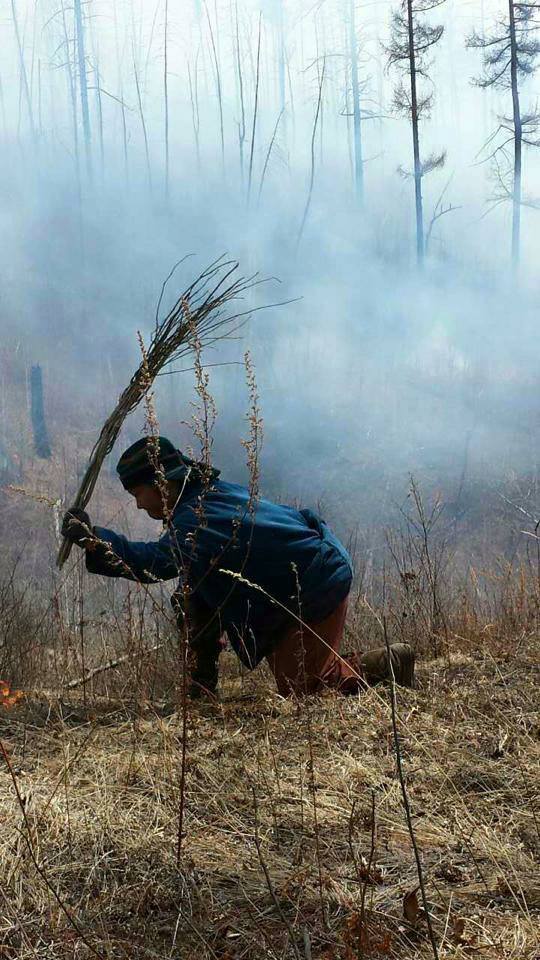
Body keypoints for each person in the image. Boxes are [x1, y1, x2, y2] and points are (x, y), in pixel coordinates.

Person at [62, 437, 414, 698]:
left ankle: (387, 664)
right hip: (304, 576)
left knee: (304, 691)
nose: (138, 505)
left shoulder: (196, 520)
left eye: (138, 493)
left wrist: (93, 540)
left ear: (161, 484)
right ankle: (200, 687)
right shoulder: (207, 496)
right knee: (192, 588)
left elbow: (153, 564)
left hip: (316, 580)